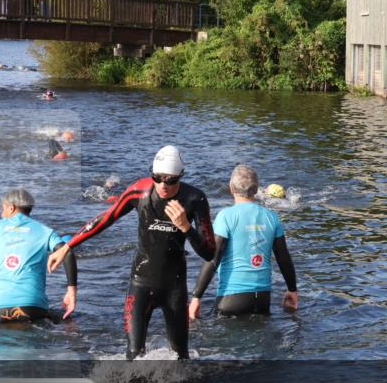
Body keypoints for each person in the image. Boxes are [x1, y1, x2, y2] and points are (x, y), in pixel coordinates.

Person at [48, 145, 215, 359]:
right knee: (134, 356)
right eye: (157, 177)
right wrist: (69, 245)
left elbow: (209, 253)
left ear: (180, 176)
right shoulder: (139, 191)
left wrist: (186, 228)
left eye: (170, 180)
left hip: (174, 286)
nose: (163, 185)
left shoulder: (194, 199)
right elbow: (107, 218)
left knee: (181, 357)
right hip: (141, 283)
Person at [189, 165, 297, 319]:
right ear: (256, 189)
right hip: (263, 299)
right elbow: (283, 257)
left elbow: (214, 258)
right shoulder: (272, 217)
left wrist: (196, 297)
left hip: (231, 299)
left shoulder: (226, 216)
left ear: (231, 188)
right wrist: (292, 290)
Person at [0, 188, 77, 323]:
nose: (1, 214)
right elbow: (67, 252)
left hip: (0, 309)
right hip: (33, 307)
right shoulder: (45, 231)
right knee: (64, 321)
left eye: (2, 209)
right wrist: (71, 293)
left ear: (11, 208)